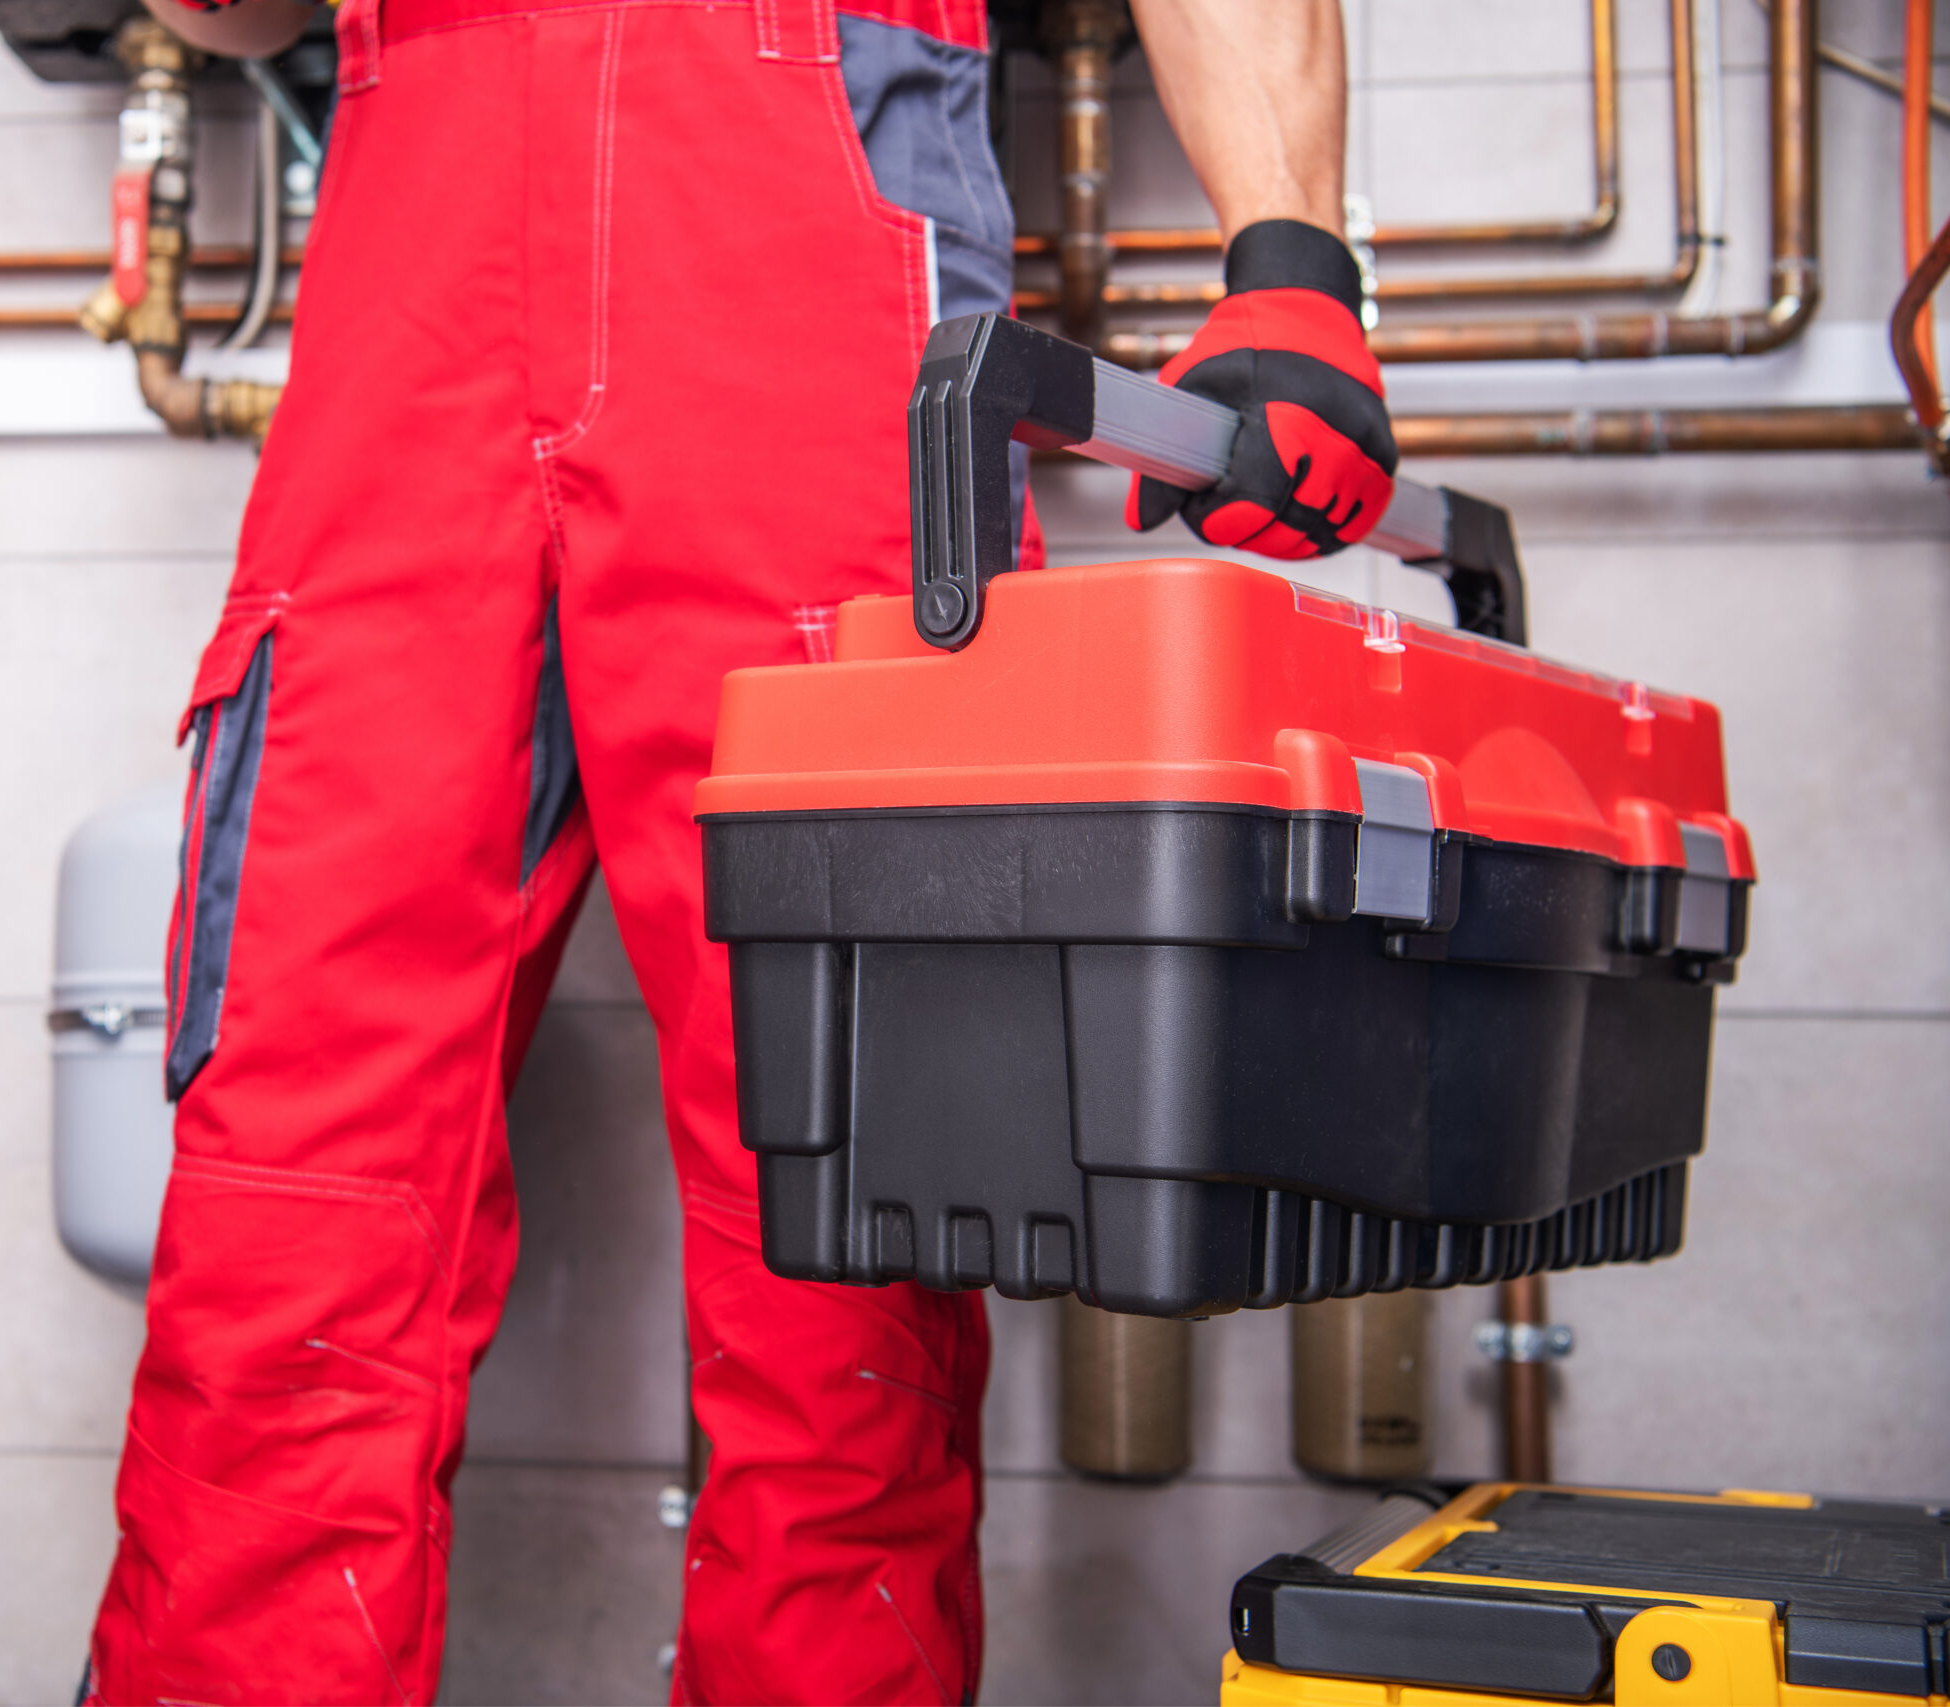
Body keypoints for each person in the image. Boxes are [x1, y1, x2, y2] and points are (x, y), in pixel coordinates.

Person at [82, 0, 1396, 1698]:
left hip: (798, 179)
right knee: (286, 1203)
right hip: (416, 221)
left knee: (846, 1234)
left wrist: (1292, 263)